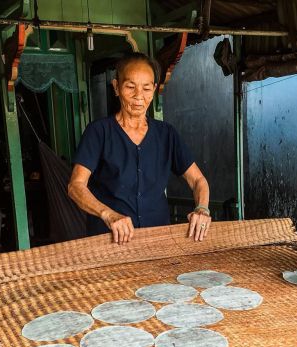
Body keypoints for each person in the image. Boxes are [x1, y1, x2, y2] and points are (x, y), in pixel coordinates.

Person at [67, 52, 211, 244]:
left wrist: (202, 208)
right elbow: (75, 186)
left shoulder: (166, 134)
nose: (139, 97)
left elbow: (198, 180)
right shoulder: (99, 132)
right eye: (130, 87)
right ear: (116, 88)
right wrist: (109, 215)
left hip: (157, 241)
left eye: (146, 88)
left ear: (154, 89)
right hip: (109, 242)